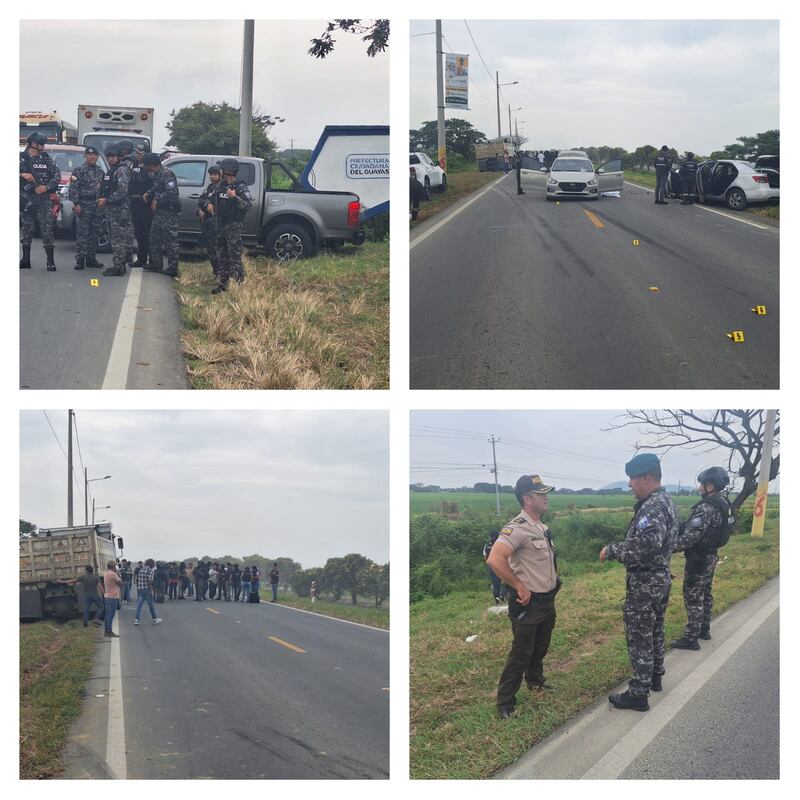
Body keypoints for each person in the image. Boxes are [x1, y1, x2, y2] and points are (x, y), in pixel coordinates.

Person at [600, 453, 678, 711]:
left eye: (632, 479)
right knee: (655, 630)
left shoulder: (653, 506)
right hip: (659, 578)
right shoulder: (665, 501)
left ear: (646, 477)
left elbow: (645, 546)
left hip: (646, 581)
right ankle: (655, 676)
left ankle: (638, 693)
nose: (630, 484)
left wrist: (613, 550)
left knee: (640, 636)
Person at [487, 474, 560, 719]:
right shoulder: (517, 528)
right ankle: (505, 704)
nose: (546, 498)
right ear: (527, 499)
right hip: (528, 605)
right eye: (541, 494)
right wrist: (518, 585)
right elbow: (495, 559)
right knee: (520, 654)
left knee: (540, 648)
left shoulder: (541, 526)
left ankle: (536, 682)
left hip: (547, 601)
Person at [672, 467, 734, 649]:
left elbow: (690, 537)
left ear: (710, 485)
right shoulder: (723, 503)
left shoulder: (706, 507)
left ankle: (691, 638)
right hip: (711, 556)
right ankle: (704, 629)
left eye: (702, 484)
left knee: (693, 596)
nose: (699, 488)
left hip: (698, 559)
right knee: (705, 593)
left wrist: (667, 547)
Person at [20, 131, 61, 271]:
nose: (43, 146)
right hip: (27, 201)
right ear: (32, 143)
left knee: (47, 230)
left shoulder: (46, 158)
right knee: (26, 230)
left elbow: (57, 175)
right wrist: (22, 174)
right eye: (40, 143)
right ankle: (25, 259)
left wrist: (46, 187)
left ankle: (50, 261)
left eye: (44, 143)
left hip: (43, 201)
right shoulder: (22, 159)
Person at [211, 159, 253, 293]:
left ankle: (240, 286)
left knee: (234, 257)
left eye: (222, 169)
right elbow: (212, 198)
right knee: (221, 256)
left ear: (227, 171)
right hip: (221, 225)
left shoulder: (240, 186)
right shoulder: (221, 185)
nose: (220, 172)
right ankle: (223, 285)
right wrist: (208, 204)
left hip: (233, 226)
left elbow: (248, 206)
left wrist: (234, 197)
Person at [142, 153, 181, 277]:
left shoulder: (167, 174)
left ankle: (173, 268)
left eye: (146, 165)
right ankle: (156, 263)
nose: (144, 167)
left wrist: (157, 200)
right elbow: (156, 187)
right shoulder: (157, 174)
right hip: (159, 213)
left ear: (153, 165)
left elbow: (172, 193)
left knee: (170, 241)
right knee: (154, 237)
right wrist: (149, 193)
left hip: (169, 212)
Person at [68, 145, 105, 269]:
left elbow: (103, 189)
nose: (92, 157)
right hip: (83, 205)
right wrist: (76, 204)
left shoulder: (101, 172)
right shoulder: (79, 170)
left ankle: (91, 258)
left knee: (94, 233)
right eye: (90, 155)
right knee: (83, 234)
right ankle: (80, 260)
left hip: (96, 205)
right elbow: (73, 188)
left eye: (95, 155)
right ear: (85, 156)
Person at [98, 144, 131, 276]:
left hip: (119, 210)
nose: (111, 159)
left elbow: (123, 191)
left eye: (113, 156)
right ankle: (118, 264)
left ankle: (119, 267)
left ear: (119, 157)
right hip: (112, 210)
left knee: (118, 239)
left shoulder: (121, 170)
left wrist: (107, 200)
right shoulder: (112, 170)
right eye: (109, 157)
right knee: (115, 238)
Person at [129, 143, 154, 267]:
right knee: (139, 233)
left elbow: (154, 186)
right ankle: (141, 258)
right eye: (137, 153)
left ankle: (152, 260)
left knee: (148, 233)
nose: (138, 155)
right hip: (134, 204)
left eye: (141, 153)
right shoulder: (133, 164)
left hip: (145, 205)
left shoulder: (150, 168)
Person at [198, 164, 223, 276]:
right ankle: (216, 271)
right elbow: (202, 200)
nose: (212, 176)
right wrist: (200, 209)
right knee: (211, 249)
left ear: (220, 175)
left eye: (215, 174)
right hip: (208, 223)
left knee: (218, 250)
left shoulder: (223, 188)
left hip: (218, 224)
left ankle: (221, 273)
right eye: (211, 174)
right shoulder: (210, 188)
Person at [134, 558, 162, 625]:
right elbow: (148, 581)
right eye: (153, 563)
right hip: (146, 589)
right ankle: (154, 619)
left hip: (140, 589)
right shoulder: (150, 570)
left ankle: (137, 619)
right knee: (151, 605)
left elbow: (138, 578)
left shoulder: (141, 569)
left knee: (139, 605)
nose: (154, 565)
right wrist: (150, 590)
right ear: (150, 564)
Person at [483, 531, 507, 604]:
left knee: (496, 584)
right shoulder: (501, 545)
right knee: (506, 582)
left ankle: (497, 598)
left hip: (491, 566)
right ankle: (502, 596)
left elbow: (485, 556)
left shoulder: (486, 546)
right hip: (501, 566)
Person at [103, 560, 123, 638]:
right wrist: (118, 574)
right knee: (111, 615)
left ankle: (106, 631)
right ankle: (109, 632)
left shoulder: (106, 573)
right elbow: (121, 583)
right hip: (113, 596)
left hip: (107, 596)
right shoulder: (113, 574)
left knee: (107, 615)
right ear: (113, 566)